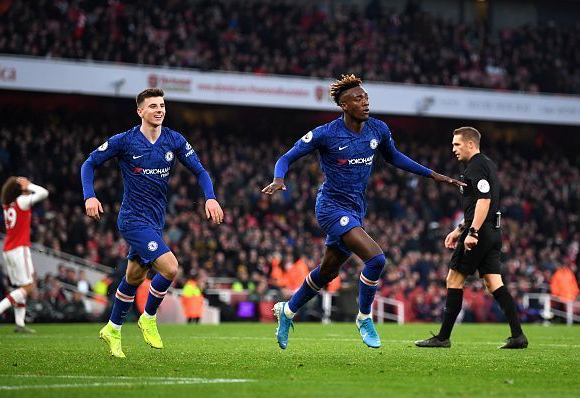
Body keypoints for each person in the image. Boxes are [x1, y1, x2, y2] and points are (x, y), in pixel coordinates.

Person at [262, 74, 464, 349]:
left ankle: (287, 311)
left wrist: (433, 175)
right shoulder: (326, 133)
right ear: (344, 105)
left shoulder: (377, 130)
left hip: (356, 208)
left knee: (327, 272)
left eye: (366, 97)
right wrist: (279, 178)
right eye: (358, 99)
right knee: (377, 259)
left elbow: (394, 157)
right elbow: (287, 157)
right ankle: (364, 317)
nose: (365, 102)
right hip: (331, 207)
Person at [81, 88, 224, 358]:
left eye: (162, 105)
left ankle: (112, 328)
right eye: (153, 106)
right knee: (170, 268)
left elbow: (200, 170)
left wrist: (211, 198)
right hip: (133, 220)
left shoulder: (174, 140)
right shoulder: (125, 141)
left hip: (156, 221)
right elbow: (88, 164)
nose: (159, 110)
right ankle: (148, 317)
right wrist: (90, 196)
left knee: (133, 278)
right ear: (140, 111)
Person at [415, 127, 528, 349]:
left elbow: (483, 201)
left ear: (470, 144)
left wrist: (472, 232)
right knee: (494, 283)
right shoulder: (486, 164)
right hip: (493, 231)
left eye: (457, 144)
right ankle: (518, 336)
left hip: (481, 232)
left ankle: (443, 337)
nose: (453, 149)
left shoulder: (475, 166)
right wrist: (460, 229)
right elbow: (479, 205)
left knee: (453, 280)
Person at [0, 177, 49, 333]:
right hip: (20, 249)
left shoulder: (7, 204)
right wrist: (31, 186)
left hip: (9, 249)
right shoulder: (22, 201)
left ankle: (20, 324)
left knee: (21, 287)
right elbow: (44, 193)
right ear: (20, 189)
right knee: (29, 286)